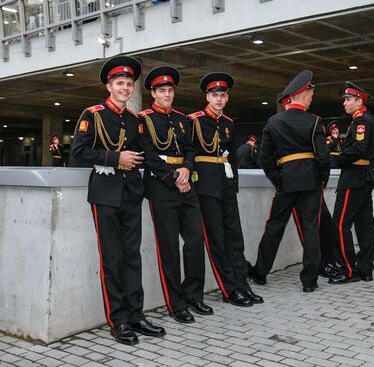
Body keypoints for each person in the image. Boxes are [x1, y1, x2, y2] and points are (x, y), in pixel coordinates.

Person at [71, 56, 165, 346]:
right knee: (112, 259)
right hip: (105, 193)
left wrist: (177, 173)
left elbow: (148, 154)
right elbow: (79, 152)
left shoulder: (137, 121)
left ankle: (136, 314)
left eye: (128, 84)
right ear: (109, 86)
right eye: (120, 83)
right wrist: (116, 157)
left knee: (132, 256)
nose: (125, 87)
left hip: (132, 192)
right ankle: (119, 320)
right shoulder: (94, 114)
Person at [139, 66, 213, 324]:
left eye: (170, 90)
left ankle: (194, 295)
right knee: (169, 247)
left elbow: (191, 149)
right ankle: (176, 302)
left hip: (186, 182)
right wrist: (173, 178)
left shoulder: (183, 119)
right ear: (153, 92)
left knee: (195, 241)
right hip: (162, 188)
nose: (167, 94)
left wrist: (186, 169)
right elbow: (147, 155)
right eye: (162, 91)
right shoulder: (144, 119)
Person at [248, 70, 330, 293]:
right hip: (311, 181)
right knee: (311, 229)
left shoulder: (274, 121)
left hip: (285, 181)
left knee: (274, 227)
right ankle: (310, 281)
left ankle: (261, 272)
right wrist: (322, 179)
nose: (312, 97)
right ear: (302, 94)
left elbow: (265, 157)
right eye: (310, 94)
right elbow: (322, 157)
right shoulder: (315, 121)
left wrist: (278, 179)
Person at [187, 72, 263, 307]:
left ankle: (242, 284)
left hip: (226, 185)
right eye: (214, 95)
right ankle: (229, 289)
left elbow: (232, 159)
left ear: (227, 98)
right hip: (206, 187)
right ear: (207, 97)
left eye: (222, 95)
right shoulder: (194, 120)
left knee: (235, 238)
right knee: (217, 241)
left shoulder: (229, 123)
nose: (218, 99)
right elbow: (188, 154)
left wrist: (234, 185)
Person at [276, 94, 340, 279]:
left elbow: (320, 155)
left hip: (311, 181)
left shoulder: (308, 122)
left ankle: (327, 261)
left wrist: (322, 178)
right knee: (308, 226)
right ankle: (319, 265)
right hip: (292, 182)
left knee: (324, 223)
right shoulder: (279, 125)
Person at [329, 81, 374, 284]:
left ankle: (349, 269)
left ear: (359, 101)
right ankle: (365, 268)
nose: (345, 103)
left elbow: (358, 148)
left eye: (349, 100)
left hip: (354, 177)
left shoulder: (362, 121)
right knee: (364, 224)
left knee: (340, 224)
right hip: (362, 176)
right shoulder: (362, 120)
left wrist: (336, 160)